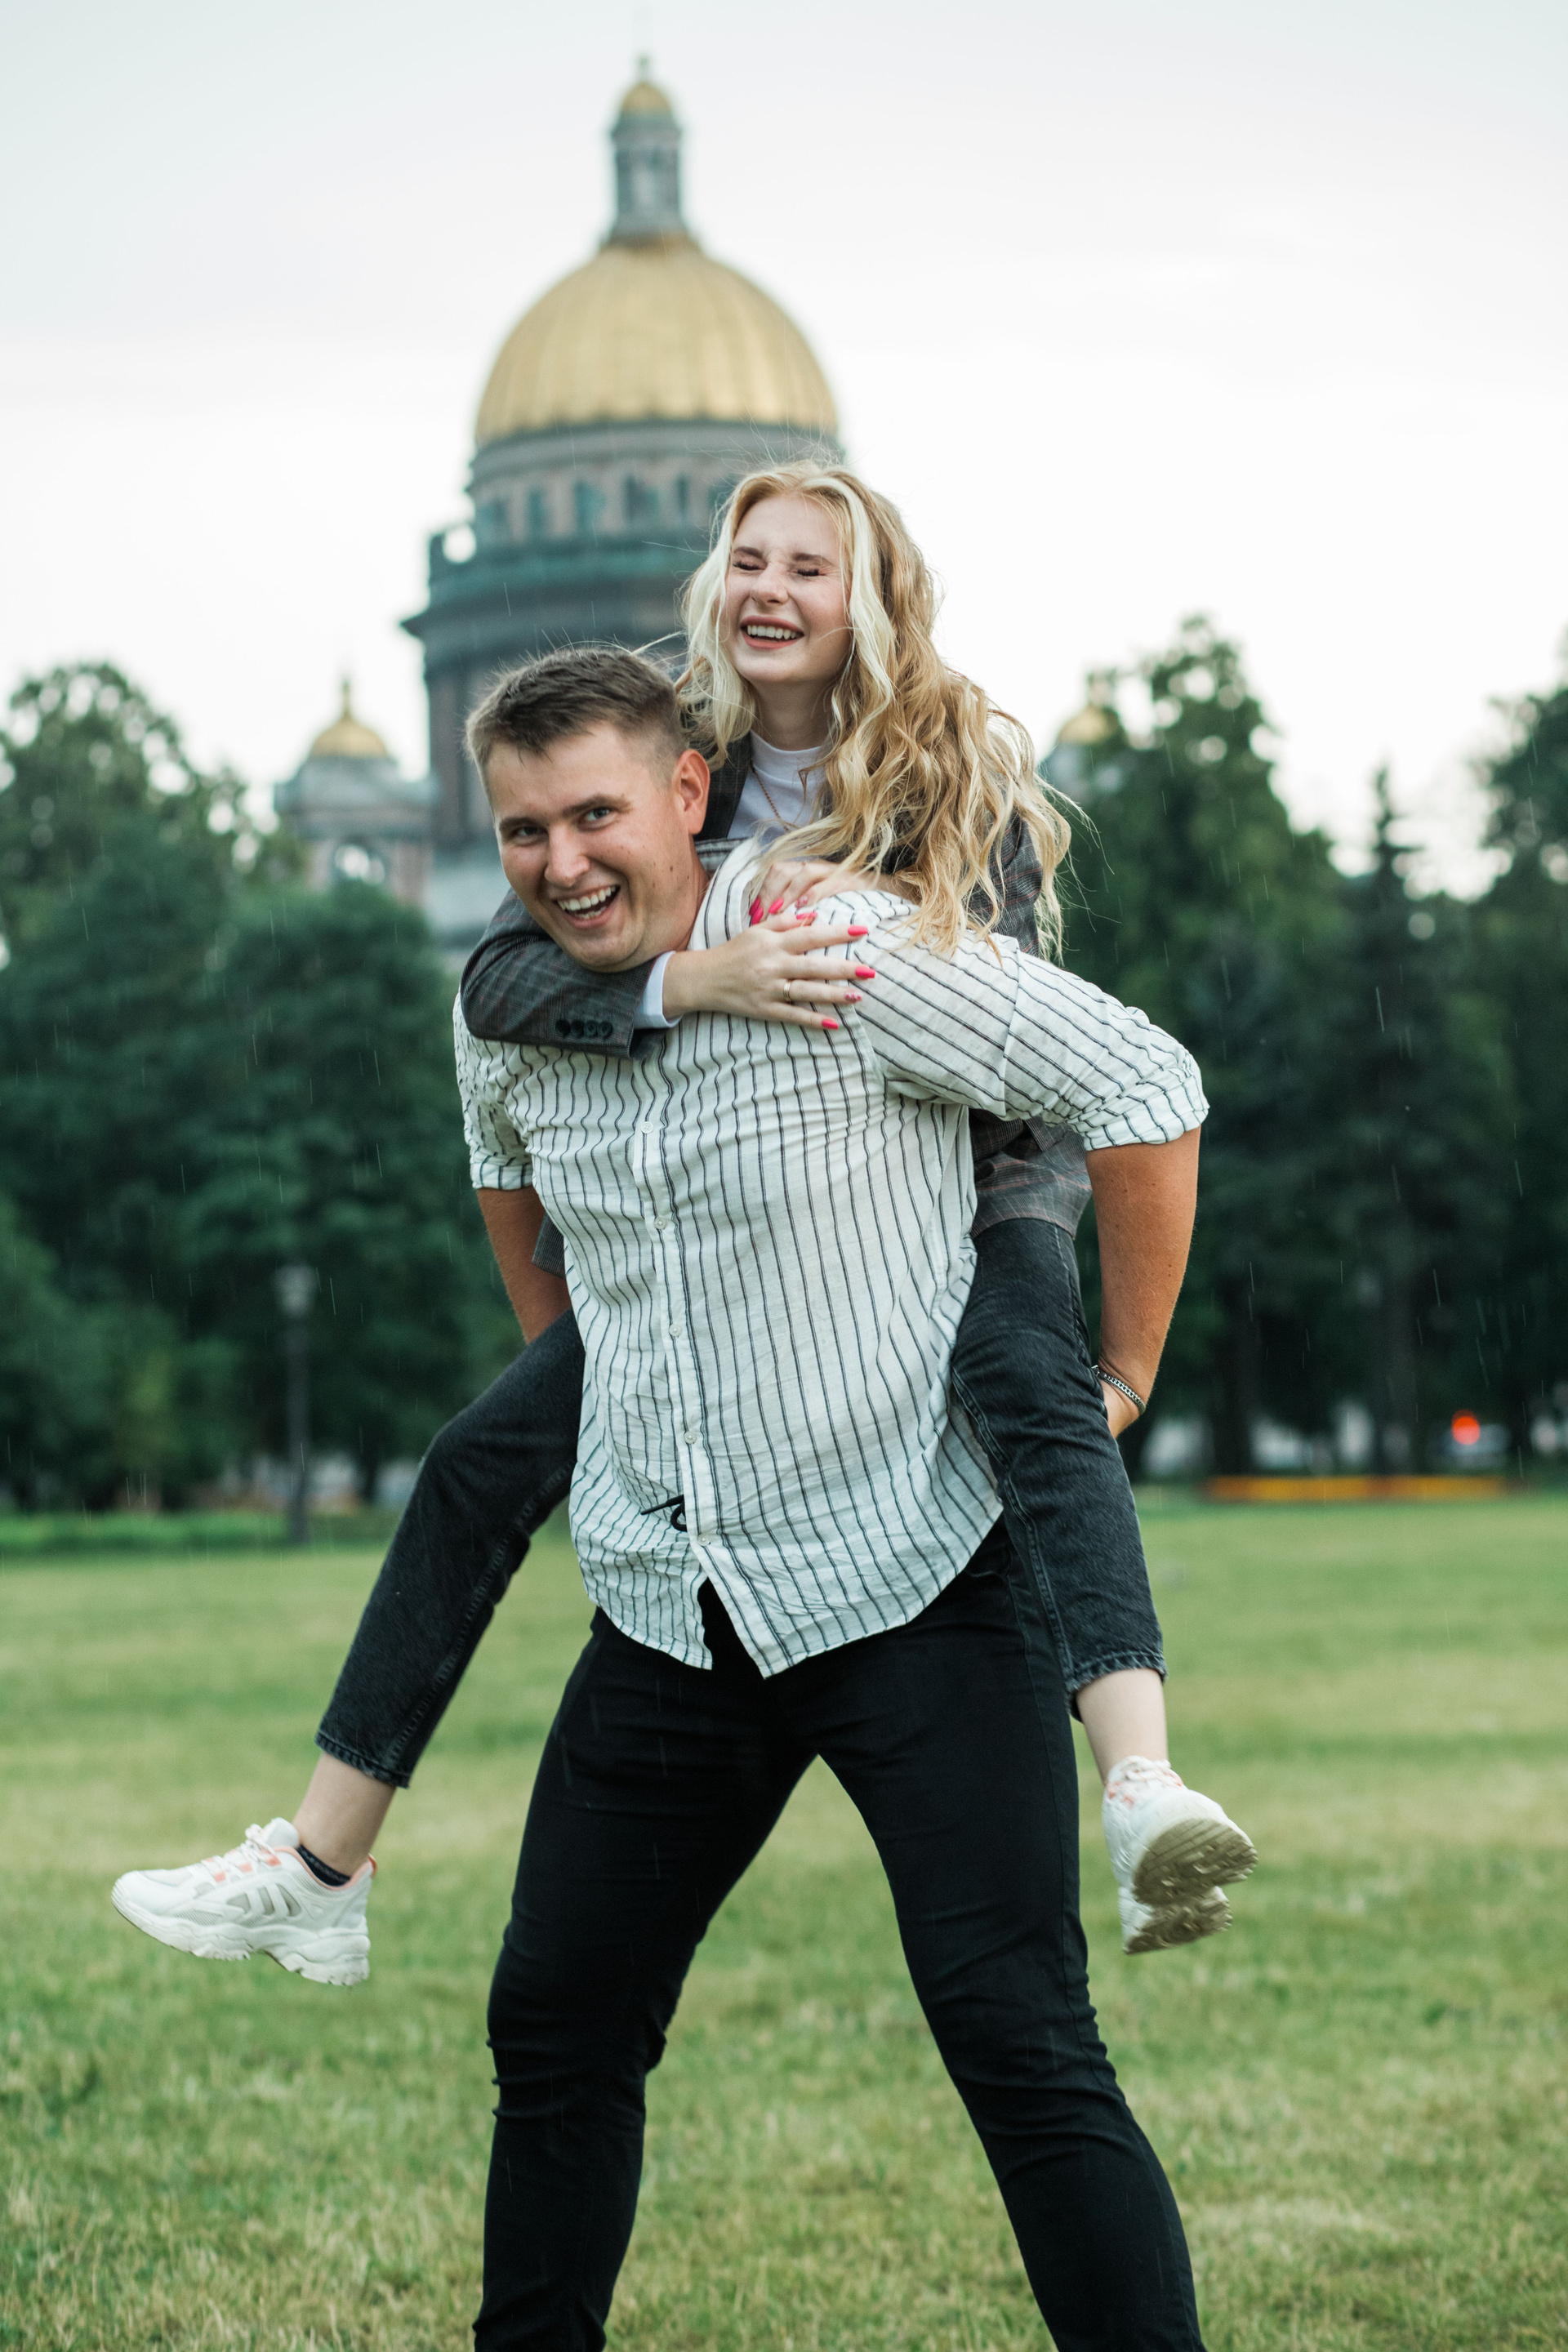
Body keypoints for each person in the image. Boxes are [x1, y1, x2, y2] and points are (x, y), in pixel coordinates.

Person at [111, 468, 1252, 1991]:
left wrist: (1125, 1361)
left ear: (873, 603)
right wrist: (681, 986)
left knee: (1033, 1387)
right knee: (474, 1464)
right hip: (711, 1253)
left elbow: (1040, 1036)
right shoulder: (666, 747)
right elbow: (501, 985)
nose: (771, 589)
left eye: (809, 567)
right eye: (746, 560)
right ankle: (320, 1863)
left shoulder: (946, 773)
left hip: (974, 1172)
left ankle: (1140, 1778)